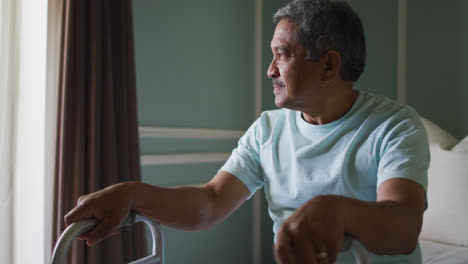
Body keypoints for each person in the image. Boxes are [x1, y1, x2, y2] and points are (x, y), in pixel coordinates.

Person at [65, 0, 430, 263]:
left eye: (281, 54)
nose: (270, 69)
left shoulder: (394, 125)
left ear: (329, 65)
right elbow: (210, 203)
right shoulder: (267, 130)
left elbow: (403, 227)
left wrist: (335, 212)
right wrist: (131, 194)